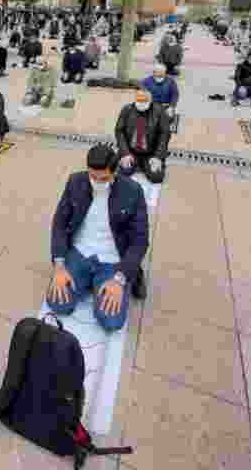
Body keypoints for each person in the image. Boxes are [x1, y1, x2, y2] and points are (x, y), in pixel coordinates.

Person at [47, 144, 150, 328]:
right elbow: (59, 223)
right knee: (57, 303)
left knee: (112, 320)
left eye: (103, 178)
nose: (96, 182)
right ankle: (88, 281)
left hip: (113, 260)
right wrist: (59, 266)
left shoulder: (133, 191)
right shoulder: (75, 182)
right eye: (92, 176)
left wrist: (119, 279)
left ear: (115, 172)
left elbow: (140, 240)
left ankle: (96, 283)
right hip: (80, 253)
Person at [114, 87, 170, 200]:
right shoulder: (127, 109)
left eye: (144, 101)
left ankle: (144, 165)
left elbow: (165, 135)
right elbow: (119, 131)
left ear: (150, 101)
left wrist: (158, 157)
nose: (141, 103)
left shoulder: (159, 112)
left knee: (157, 177)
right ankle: (135, 163)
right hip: (131, 151)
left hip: (150, 153)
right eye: (139, 101)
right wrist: (125, 153)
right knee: (123, 173)